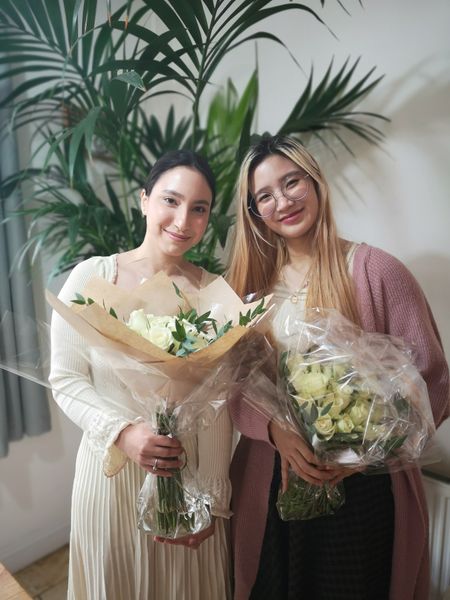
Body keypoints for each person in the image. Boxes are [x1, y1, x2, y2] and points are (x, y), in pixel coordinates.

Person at [226, 135, 449, 600]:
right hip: (271, 482)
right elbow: (235, 384)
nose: (283, 202)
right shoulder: (249, 291)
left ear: (316, 183)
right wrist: (275, 431)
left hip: (364, 491)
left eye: (292, 183)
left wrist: (359, 454)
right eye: (264, 195)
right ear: (253, 212)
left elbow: (433, 380)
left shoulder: (376, 271)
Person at [49, 150, 233, 600]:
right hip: (112, 479)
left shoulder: (216, 294)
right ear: (144, 200)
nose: (182, 220)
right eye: (170, 200)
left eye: (199, 208)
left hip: (187, 481)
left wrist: (212, 501)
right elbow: (66, 379)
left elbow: (220, 408)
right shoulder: (92, 277)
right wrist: (124, 433)